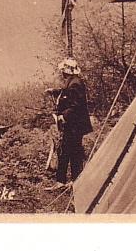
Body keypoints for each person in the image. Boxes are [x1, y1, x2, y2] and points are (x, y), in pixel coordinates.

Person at [45, 58, 93, 187]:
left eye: (63, 71)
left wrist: (63, 116)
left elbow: (75, 104)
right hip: (73, 125)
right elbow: (66, 93)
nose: (62, 73)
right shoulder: (72, 82)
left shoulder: (75, 83)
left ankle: (66, 181)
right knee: (70, 151)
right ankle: (72, 181)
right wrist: (54, 91)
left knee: (69, 151)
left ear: (67, 71)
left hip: (74, 125)